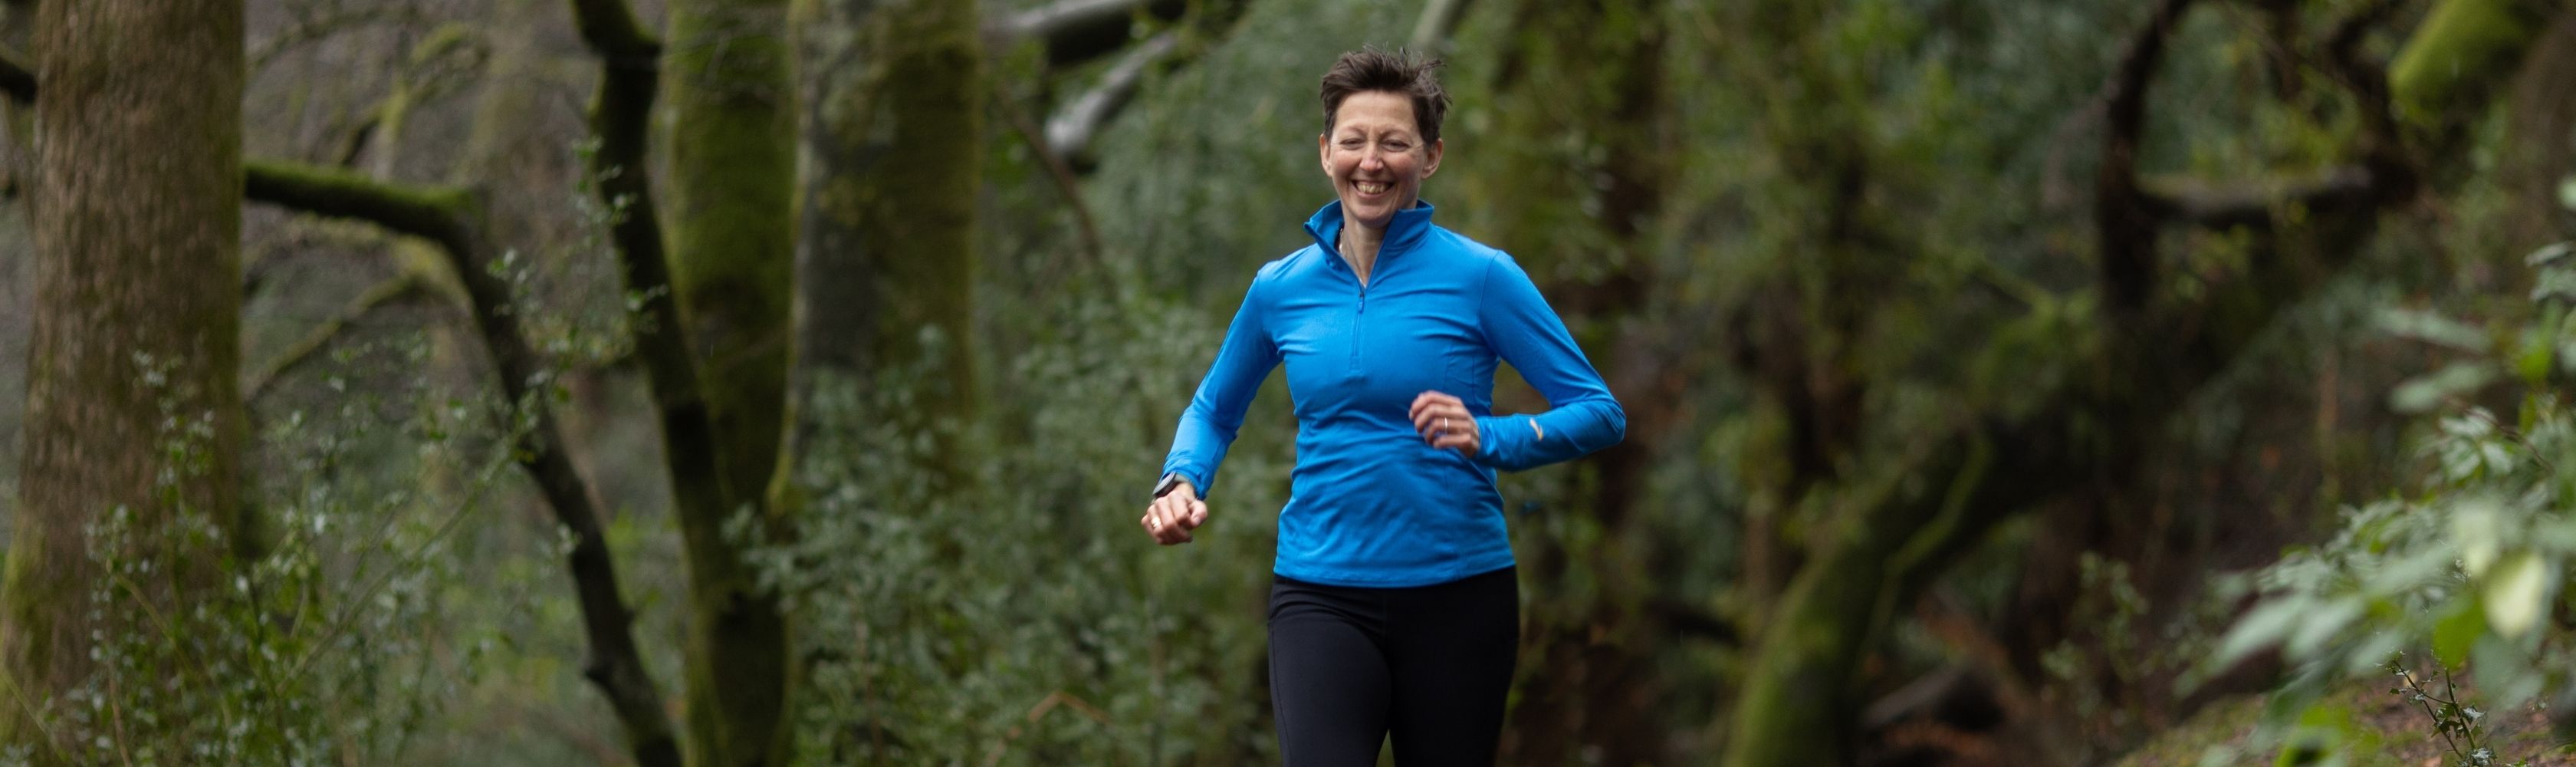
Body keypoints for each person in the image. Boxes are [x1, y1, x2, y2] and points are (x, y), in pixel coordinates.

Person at [1139, 46, 1626, 765]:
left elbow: (1597, 410)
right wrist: (1182, 481)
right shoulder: (1280, 288)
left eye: (1394, 143)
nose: (1372, 161)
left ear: (1429, 158)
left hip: (1460, 596)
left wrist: (1489, 437)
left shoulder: (1482, 277)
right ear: (1326, 151)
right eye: (1354, 140)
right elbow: (1214, 409)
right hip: (1320, 593)